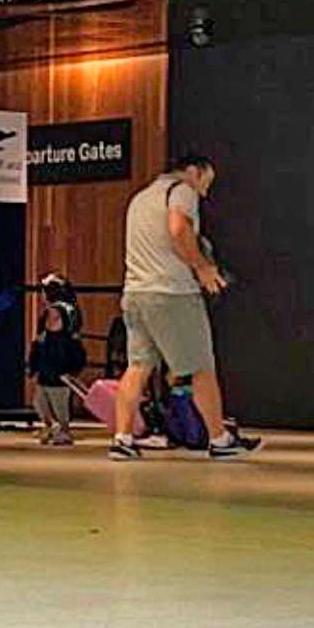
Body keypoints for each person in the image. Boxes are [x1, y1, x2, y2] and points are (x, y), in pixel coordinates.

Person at [109, 152, 260, 462]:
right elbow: (179, 230)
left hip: (136, 293)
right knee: (202, 368)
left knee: (137, 366)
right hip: (172, 294)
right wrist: (204, 269)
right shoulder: (181, 191)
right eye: (206, 181)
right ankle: (219, 439)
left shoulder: (140, 198)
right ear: (193, 171)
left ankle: (122, 439)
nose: (205, 190)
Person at [28, 300, 87, 444]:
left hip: (61, 382)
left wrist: (72, 372)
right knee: (40, 404)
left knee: (60, 408)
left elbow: (79, 358)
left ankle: (64, 430)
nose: (51, 322)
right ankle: (48, 426)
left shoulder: (70, 341)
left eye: (56, 318)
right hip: (43, 379)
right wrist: (32, 371)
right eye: (49, 318)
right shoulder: (41, 340)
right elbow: (34, 356)